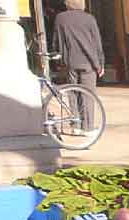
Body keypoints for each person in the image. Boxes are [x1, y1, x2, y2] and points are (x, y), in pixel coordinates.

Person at [52, 0, 103, 132]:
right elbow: (97, 44)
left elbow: (56, 41)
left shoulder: (60, 18)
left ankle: (76, 126)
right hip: (88, 63)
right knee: (88, 95)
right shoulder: (89, 19)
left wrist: (59, 60)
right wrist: (100, 64)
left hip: (70, 62)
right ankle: (88, 127)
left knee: (73, 93)